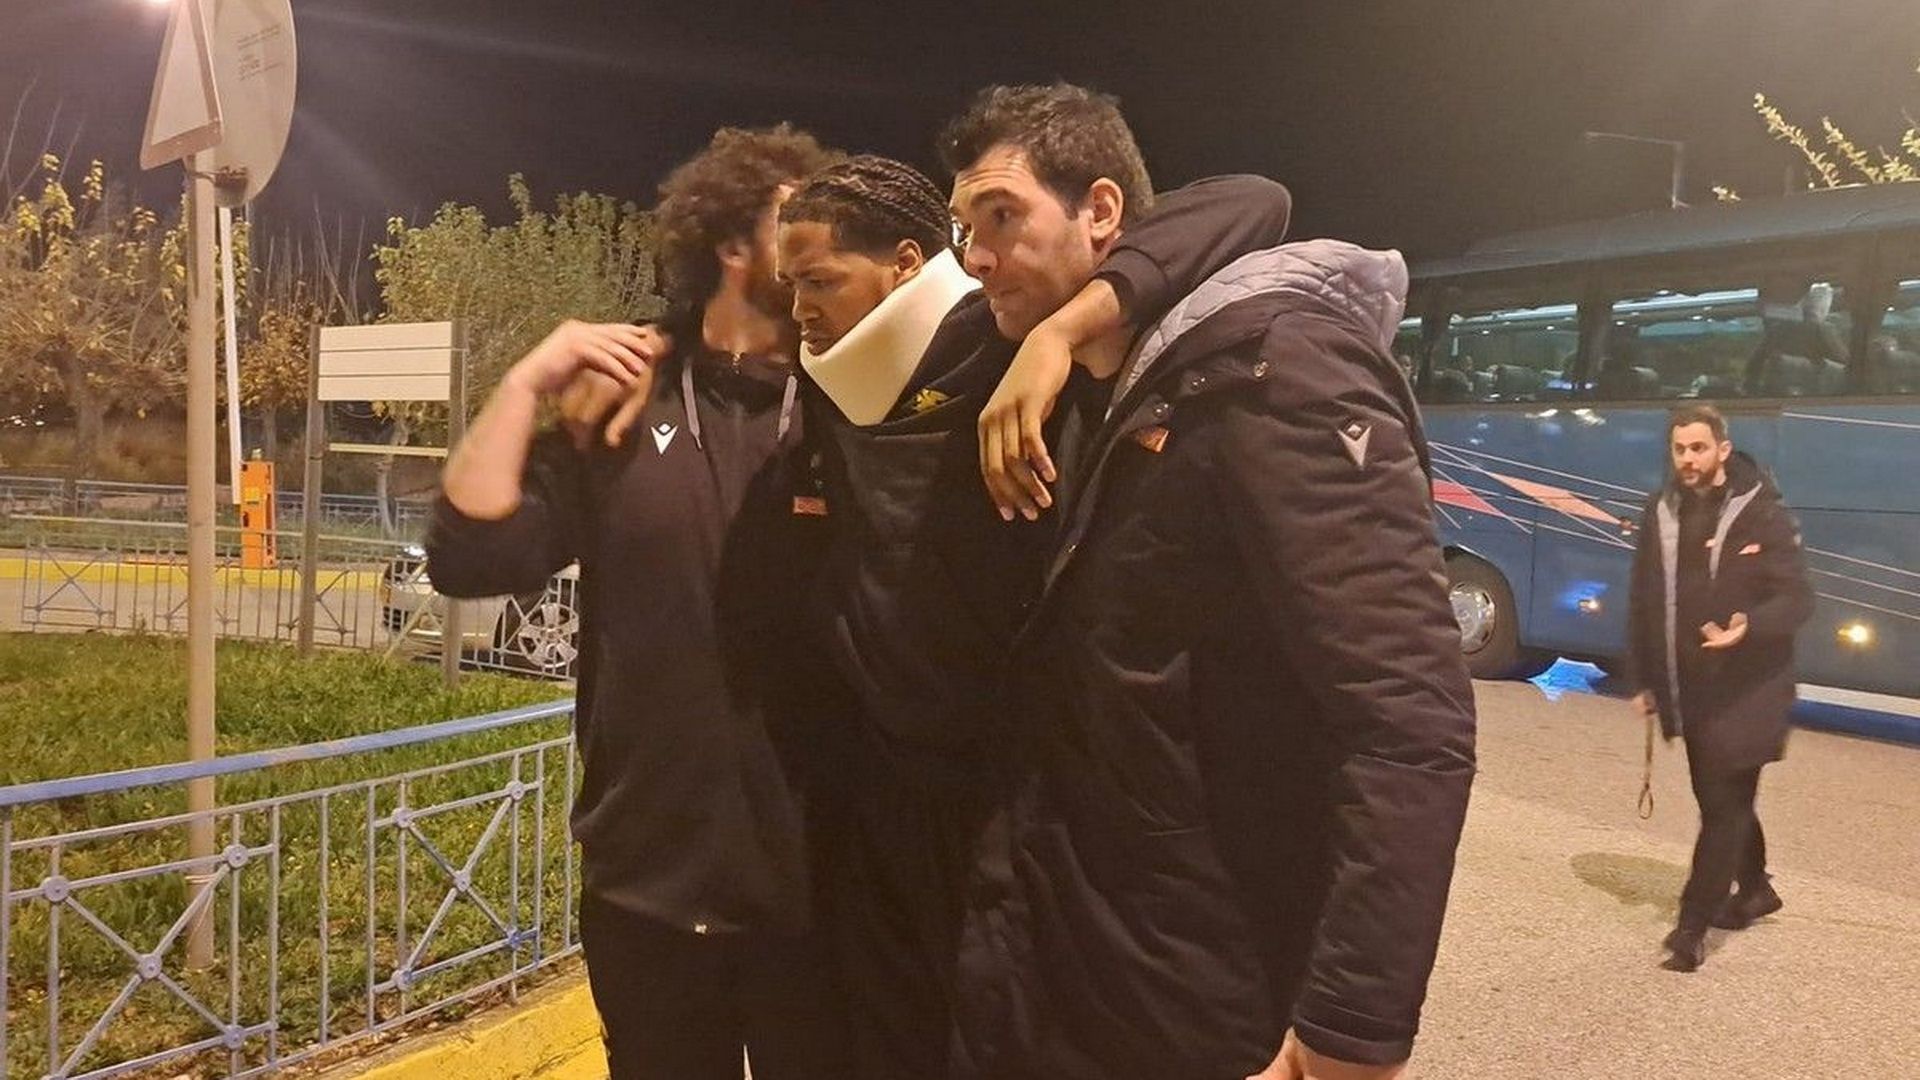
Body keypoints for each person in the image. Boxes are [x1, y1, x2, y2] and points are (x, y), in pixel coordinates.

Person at [946, 82, 1478, 1080]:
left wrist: (1351, 1030)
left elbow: (1408, 718)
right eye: (964, 228)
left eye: (1002, 216)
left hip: (1197, 995)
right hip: (1065, 961)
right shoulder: (1095, 390)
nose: (975, 256)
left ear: (1102, 213)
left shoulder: (1275, 371)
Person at [768, 155, 1292, 1079]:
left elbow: (1255, 201)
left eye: (819, 281)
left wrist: (1059, 334)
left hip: (1002, 790)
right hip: (877, 786)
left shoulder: (993, 333)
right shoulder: (817, 386)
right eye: (791, 286)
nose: (800, 309)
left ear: (904, 265)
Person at [424, 125, 850, 1080]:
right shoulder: (625, 400)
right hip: (647, 887)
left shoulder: (852, 402)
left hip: (820, 887)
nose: (821, 241)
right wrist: (526, 381)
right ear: (732, 245)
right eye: (796, 219)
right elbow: (470, 556)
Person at [1627, 404, 1813, 973]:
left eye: (1699, 448)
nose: (1688, 459)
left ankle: (1691, 927)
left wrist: (1747, 627)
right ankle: (1754, 887)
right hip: (1694, 687)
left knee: (1724, 805)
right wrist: (1645, 678)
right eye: (1680, 449)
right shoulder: (1661, 512)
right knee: (1721, 801)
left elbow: (1797, 598)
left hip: (1751, 688)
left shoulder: (1762, 512)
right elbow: (1643, 599)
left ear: (1722, 450)